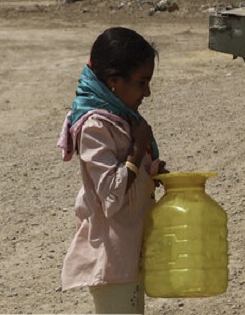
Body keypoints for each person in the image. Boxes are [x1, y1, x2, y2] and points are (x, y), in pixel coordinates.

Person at [58, 27, 165, 314]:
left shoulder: (119, 117)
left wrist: (151, 170)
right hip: (112, 257)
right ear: (114, 82)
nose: (148, 92)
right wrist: (138, 147)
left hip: (129, 253)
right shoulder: (94, 126)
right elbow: (112, 194)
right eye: (142, 83)